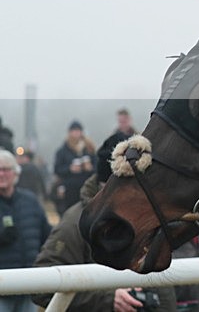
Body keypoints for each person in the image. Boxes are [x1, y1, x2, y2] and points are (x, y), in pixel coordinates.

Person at [34, 132, 178, 312]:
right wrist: (108, 299)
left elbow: (163, 288)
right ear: (108, 186)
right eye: (130, 188)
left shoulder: (148, 219)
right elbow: (42, 285)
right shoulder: (75, 222)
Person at [0, 149, 51, 312]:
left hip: (28, 286)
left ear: (15, 173)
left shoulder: (30, 201)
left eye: (6, 169)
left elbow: (47, 237)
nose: (1, 174)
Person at [52, 120, 96, 217]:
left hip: (87, 187)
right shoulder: (62, 151)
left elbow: (97, 168)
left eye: (78, 131)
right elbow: (57, 169)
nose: (76, 134)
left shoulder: (89, 149)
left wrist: (90, 168)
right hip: (69, 190)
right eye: (74, 131)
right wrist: (70, 169)